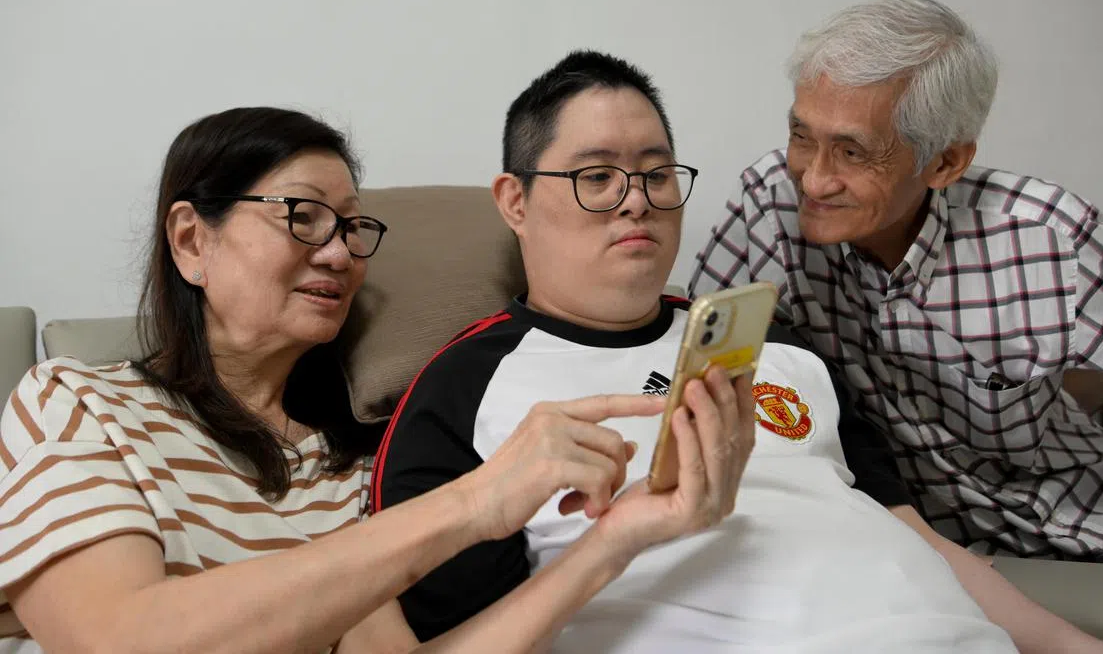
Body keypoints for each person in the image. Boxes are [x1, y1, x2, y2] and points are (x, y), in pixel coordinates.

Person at [376, 51, 1103, 653]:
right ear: (515, 201)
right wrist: (615, 540)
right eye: (597, 177)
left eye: (656, 173)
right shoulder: (464, 389)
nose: (637, 199)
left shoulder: (768, 340)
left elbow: (913, 533)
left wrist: (1077, 648)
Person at [0, 106, 753, 653]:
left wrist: (613, 542)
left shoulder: (358, 470)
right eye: (302, 216)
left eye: (354, 227)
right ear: (193, 240)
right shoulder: (81, 402)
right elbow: (117, 640)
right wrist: (475, 501)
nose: (339, 254)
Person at [689, 0, 1103, 564]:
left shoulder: (1046, 238)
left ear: (945, 163)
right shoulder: (768, 203)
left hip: (1093, 518)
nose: (815, 180)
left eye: (853, 152)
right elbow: (689, 368)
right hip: (910, 545)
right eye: (802, 137)